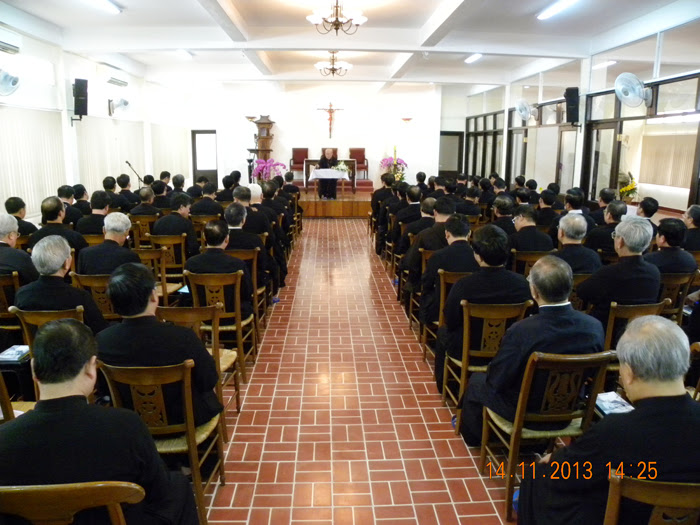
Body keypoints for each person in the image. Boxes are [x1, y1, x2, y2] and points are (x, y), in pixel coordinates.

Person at [0, 319, 199, 524]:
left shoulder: (4, 439)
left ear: (34, 369)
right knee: (178, 485)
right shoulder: (125, 426)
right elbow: (159, 492)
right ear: (91, 367)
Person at [518, 315, 700, 525]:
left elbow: (565, 474)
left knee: (536, 476)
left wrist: (551, 461)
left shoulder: (616, 431)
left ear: (629, 373)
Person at [459, 255, 604, 446]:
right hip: (567, 412)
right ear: (570, 287)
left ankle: (476, 437)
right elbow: (591, 373)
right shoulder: (594, 327)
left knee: (477, 382)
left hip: (524, 412)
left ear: (534, 291)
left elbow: (498, 378)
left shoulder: (522, 330)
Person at [98, 263, 222, 426]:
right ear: (153, 296)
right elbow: (209, 379)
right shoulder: (182, 337)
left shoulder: (102, 340)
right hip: (184, 420)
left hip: (130, 423)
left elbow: (104, 389)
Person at [433, 225, 531, 392]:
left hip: (468, 348)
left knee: (443, 332)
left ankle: (446, 385)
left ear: (477, 255)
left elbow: (450, 318)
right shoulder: (522, 284)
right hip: (507, 350)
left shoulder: (464, 285)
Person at [577, 216, 661, 329]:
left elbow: (582, 292)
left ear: (620, 242)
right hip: (640, 330)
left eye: (615, 236)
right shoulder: (654, 272)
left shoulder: (609, 272)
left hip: (605, 330)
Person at [15, 235, 107, 334]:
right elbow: (99, 329)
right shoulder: (80, 297)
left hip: (37, 344)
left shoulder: (22, 294)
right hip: (74, 344)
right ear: (67, 263)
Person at [184, 220, 253, 321]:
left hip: (203, 315)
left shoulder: (191, 263)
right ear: (227, 239)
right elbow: (247, 291)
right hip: (234, 316)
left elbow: (190, 291)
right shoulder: (237, 264)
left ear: (204, 237)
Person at [419, 214, 479, 325]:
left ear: (447, 234)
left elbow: (426, 283)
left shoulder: (438, 256)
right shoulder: (479, 257)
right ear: (469, 233)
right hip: (474, 312)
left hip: (441, 310)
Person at [400, 197, 456, 291]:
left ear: (434, 212)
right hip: (454, 287)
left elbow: (410, 262)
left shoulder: (424, 235)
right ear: (454, 214)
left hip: (428, 285)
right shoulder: (459, 236)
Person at [225, 203, 277, 296]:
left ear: (225, 218)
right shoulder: (254, 239)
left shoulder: (221, 240)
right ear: (243, 220)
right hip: (251, 282)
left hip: (225, 284)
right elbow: (263, 262)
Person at [151, 193, 198, 258]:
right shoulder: (186, 223)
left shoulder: (158, 222)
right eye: (188, 208)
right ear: (181, 207)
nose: (189, 210)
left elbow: (156, 247)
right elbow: (193, 248)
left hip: (161, 260)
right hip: (182, 261)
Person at [0, 213, 38, 292]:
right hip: (16, 299)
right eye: (17, 234)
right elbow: (36, 281)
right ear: (11, 235)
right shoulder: (20, 256)